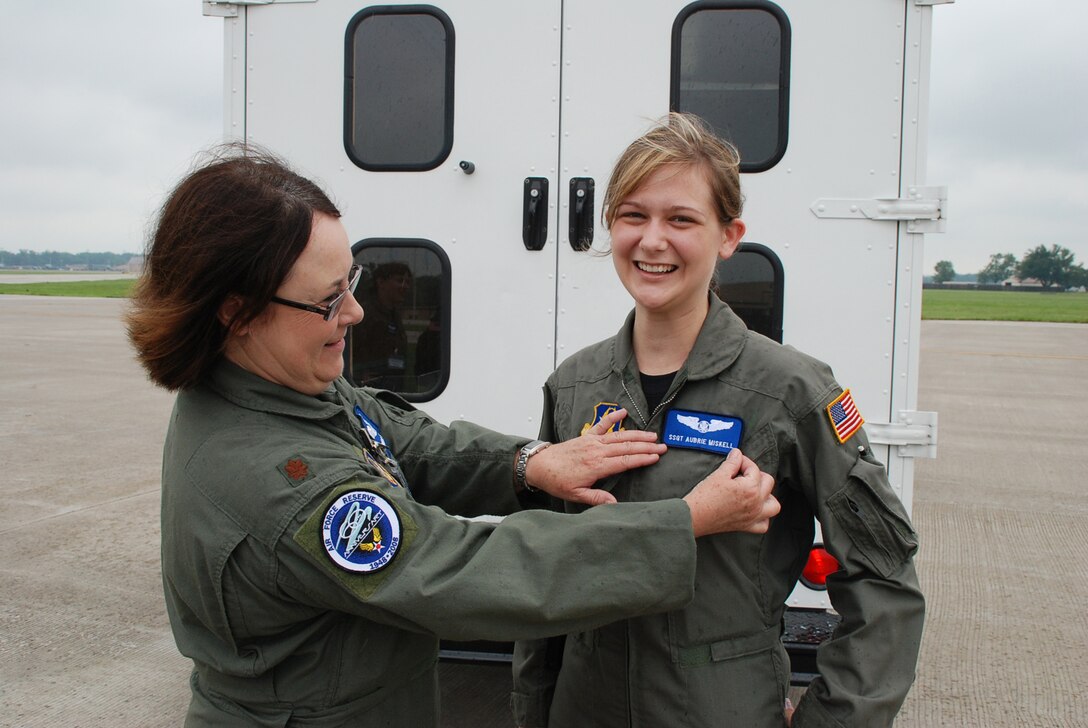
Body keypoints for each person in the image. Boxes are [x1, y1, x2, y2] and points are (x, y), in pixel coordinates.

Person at [125, 144, 780, 727]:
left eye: (349, 282)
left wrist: (530, 463)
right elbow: (470, 572)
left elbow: (408, 442)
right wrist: (681, 522)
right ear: (237, 312)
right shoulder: (283, 483)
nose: (354, 312)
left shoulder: (274, 382)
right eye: (327, 300)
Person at [511, 113, 925, 728]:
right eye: (633, 215)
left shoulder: (793, 391)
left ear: (729, 236)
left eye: (681, 219)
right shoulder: (573, 385)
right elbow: (539, 577)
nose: (653, 241)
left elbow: (885, 588)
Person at [352, 261, 412, 389]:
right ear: (380, 282)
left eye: (407, 282)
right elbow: (351, 353)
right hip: (368, 390)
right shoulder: (363, 314)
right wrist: (359, 376)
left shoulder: (394, 315)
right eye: (399, 280)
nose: (405, 286)